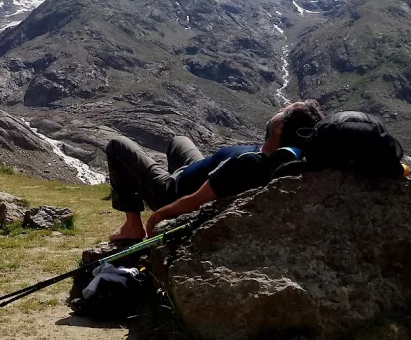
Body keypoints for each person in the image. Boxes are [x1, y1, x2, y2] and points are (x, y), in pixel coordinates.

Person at [105, 100, 325, 241]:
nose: (278, 110)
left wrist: (161, 214)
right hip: (196, 170)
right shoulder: (275, 159)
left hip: (173, 191)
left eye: (283, 111)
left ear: (280, 128)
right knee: (178, 140)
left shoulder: (246, 164)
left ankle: (132, 226)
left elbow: (195, 201)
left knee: (116, 146)